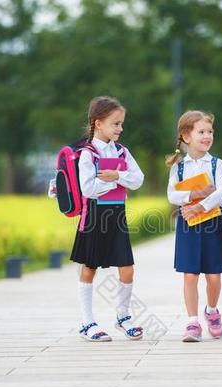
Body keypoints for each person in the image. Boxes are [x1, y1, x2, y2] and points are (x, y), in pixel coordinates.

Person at [71, 96, 145, 342]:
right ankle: (87, 322)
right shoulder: (86, 154)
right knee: (90, 267)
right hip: (93, 217)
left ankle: (123, 316)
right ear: (98, 123)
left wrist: (116, 176)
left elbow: (138, 179)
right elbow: (87, 189)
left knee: (127, 268)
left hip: (117, 216)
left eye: (121, 124)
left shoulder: (122, 151)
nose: (120, 129)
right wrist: (117, 178)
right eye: (115, 123)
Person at [166, 110, 222, 342]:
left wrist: (200, 206)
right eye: (201, 132)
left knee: (214, 276)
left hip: (212, 225)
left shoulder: (217, 163)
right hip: (188, 226)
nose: (207, 136)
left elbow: (221, 192)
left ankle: (211, 311)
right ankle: (192, 323)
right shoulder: (178, 167)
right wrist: (193, 195)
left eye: (210, 132)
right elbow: (171, 195)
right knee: (189, 275)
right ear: (186, 136)